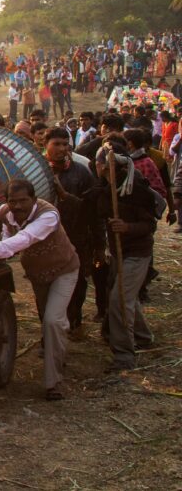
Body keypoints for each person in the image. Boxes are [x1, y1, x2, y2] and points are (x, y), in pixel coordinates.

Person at [0, 179, 80, 400]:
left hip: (63, 270)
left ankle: (53, 383)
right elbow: (9, 235)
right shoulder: (5, 213)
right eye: (12, 201)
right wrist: (1, 250)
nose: (17, 206)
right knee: (48, 319)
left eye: (23, 201)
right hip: (38, 274)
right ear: (6, 201)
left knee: (53, 321)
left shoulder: (48, 215)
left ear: (34, 200)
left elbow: (25, 238)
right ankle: (57, 350)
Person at [95, 141, 160, 371]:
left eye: (102, 165)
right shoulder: (105, 189)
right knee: (126, 295)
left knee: (119, 300)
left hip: (137, 253)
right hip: (117, 252)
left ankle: (124, 355)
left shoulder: (136, 189)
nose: (100, 169)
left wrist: (126, 227)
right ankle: (143, 337)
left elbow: (149, 225)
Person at [43, 128, 107, 335]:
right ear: (46, 145)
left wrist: (99, 246)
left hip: (76, 238)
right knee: (45, 286)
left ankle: (74, 321)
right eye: (57, 144)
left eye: (65, 144)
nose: (62, 149)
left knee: (77, 284)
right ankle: (50, 332)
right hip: (44, 241)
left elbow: (93, 211)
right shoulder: (36, 170)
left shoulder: (82, 172)